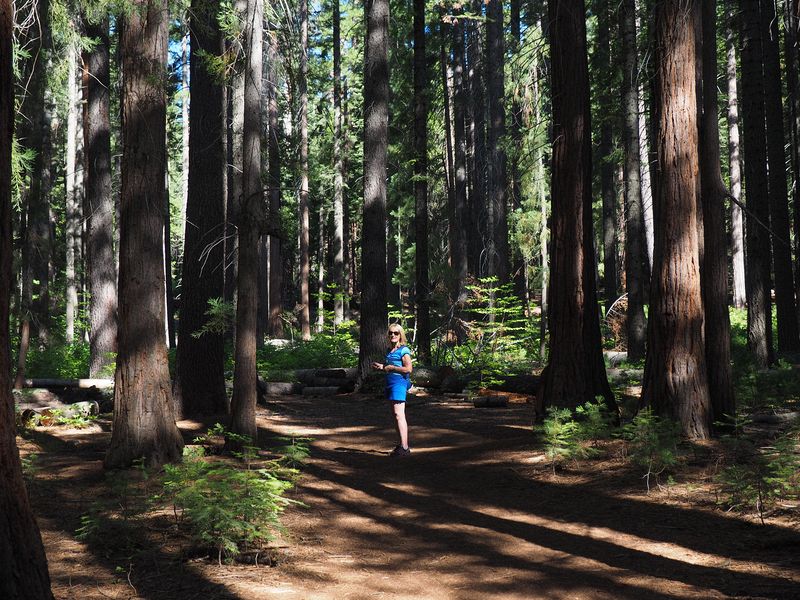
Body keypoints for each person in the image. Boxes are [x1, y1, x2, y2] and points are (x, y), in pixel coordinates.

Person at [371, 324, 413, 456]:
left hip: (399, 384)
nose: (393, 335)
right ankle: (401, 444)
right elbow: (391, 366)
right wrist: (382, 367)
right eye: (390, 333)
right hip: (390, 384)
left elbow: (408, 369)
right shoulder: (390, 351)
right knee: (395, 416)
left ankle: (405, 447)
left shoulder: (404, 350)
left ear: (401, 334)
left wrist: (391, 368)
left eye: (396, 333)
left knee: (399, 415)